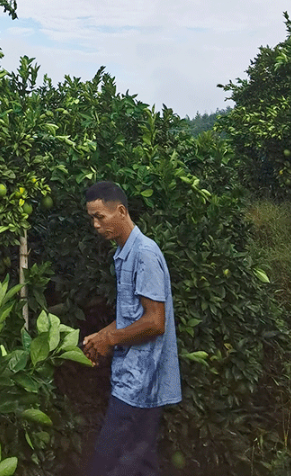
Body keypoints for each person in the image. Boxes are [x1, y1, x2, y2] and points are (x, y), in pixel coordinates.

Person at [82, 181, 181, 476]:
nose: (95, 225)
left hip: (140, 384)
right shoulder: (126, 252)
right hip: (134, 380)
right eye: (92, 218)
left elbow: (155, 321)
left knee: (107, 463)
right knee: (140, 463)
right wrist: (101, 337)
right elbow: (132, 317)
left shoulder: (144, 254)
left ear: (121, 211)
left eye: (100, 216)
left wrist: (110, 338)